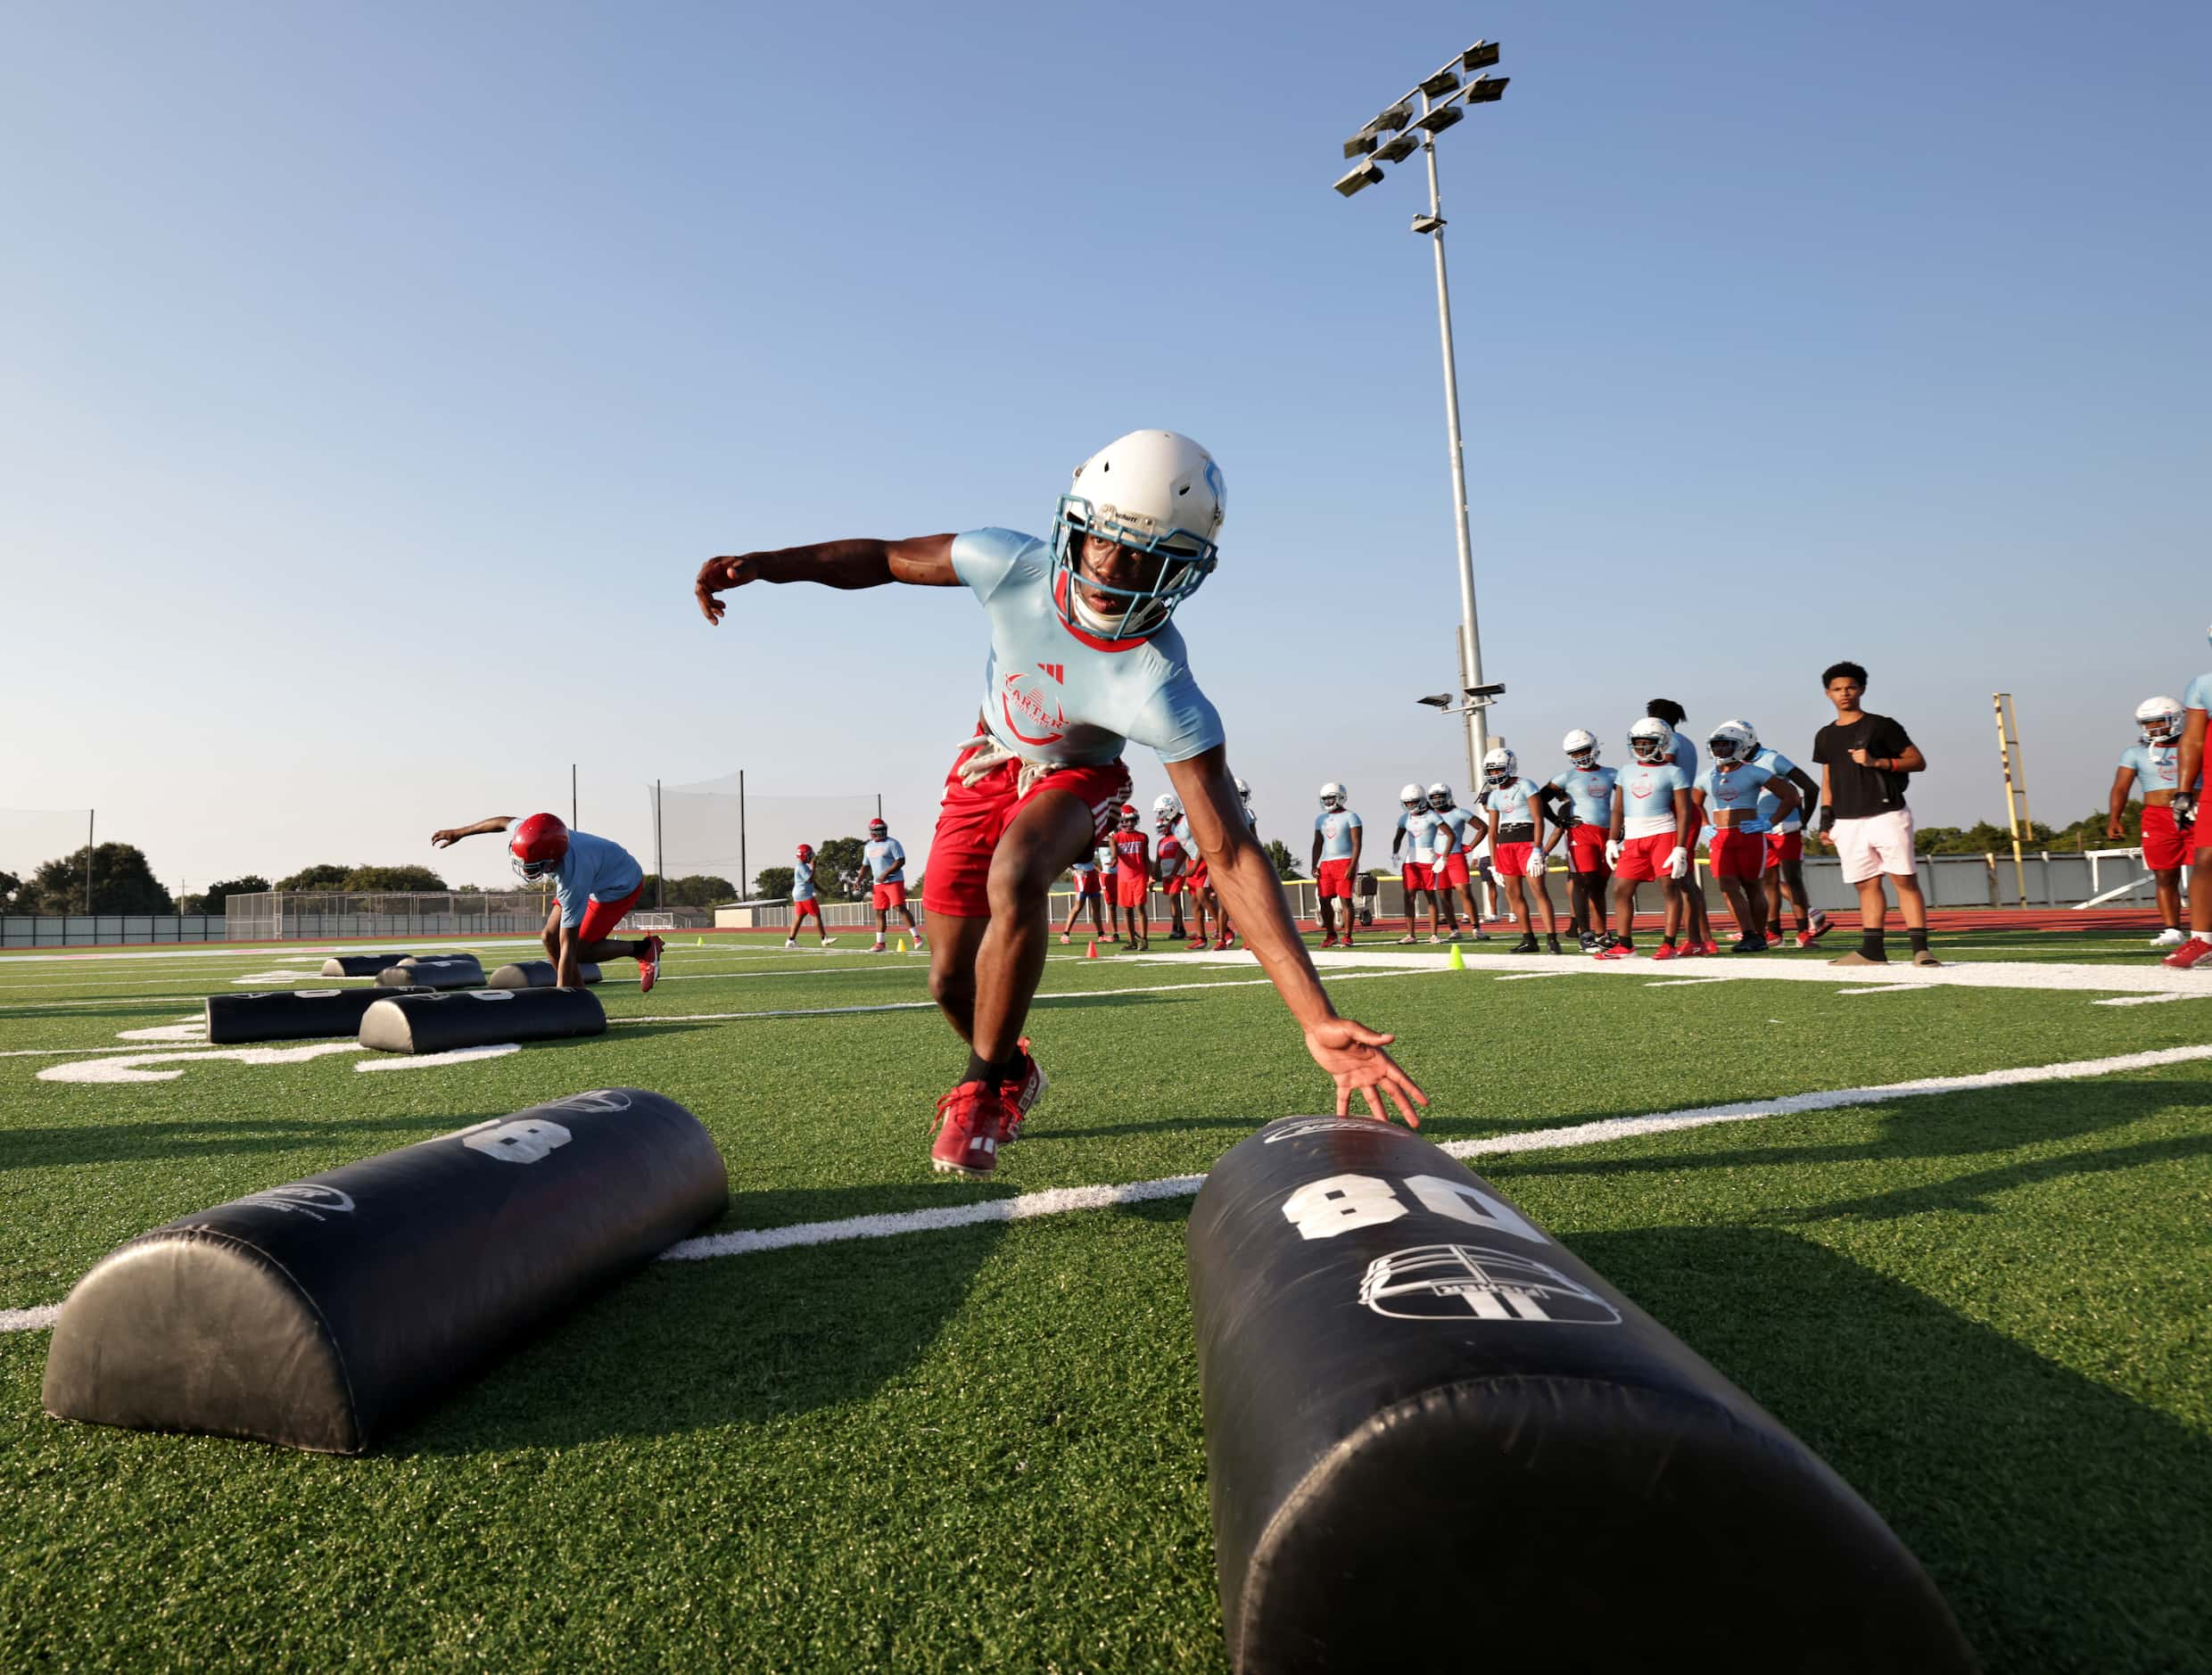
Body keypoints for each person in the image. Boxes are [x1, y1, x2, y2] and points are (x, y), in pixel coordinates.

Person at [692, 427, 1425, 1176]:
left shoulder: (1161, 686)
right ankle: (1011, 1071)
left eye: (1149, 555)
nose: (1116, 568)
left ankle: (978, 1094)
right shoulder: (1012, 564)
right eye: (1106, 541)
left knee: (1016, 874)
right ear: (1074, 526)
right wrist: (767, 567)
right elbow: (883, 558)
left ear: (1184, 569)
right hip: (984, 765)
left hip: (1080, 778)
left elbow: (1231, 852)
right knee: (948, 980)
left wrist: (1314, 1014)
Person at [428, 813, 664, 991]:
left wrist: (559, 995)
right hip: (599, 871)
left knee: (578, 950)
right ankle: (578, 995)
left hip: (618, 885)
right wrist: (460, 832)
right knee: (547, 938)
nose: (524, 867)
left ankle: (643, 949)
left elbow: (568, 946)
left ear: (552, 860)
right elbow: (502, 822)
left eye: (533, 864)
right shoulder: (534, 833)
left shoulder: (573, 874)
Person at [1810, 660, 1937, 968]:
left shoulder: (1882, 726)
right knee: (1866, 884)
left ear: (1862, 689)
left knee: (1904, 880)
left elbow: (1917, 761)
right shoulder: (1825, 736)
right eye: (1838, 689)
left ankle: (1921, 950)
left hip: (1887, 813)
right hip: (1848, 820)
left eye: (1851, 687)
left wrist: (1877, 762)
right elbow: (1828, 779)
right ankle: (1873, 951)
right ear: (1827, 693)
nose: (1845, 694)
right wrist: (1826, 820)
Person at [1693, 722, 1801, 951]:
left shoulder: (1753, 771)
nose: (1721, 750)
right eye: (1717, 745)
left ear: (1739, 747)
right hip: (1721, 837)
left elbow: (1791, 795)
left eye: (1726, 745)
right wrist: (1704, 824)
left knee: (1752, 885)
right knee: (1726, 885)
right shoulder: (1706, 776)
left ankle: (1759, 936)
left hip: (1748, 833)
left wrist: (1769, 822)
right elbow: (1694, 803)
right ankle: (1748, 933)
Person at [1594, 719, 1694, 961]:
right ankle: (1625, 945)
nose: (1641, 748)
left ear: (1662, 743)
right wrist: (1611, 840)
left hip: (1663, 833)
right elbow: (1617, 809)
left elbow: (1684, 811)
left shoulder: (1674, 772)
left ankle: (1669, 944)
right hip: (1634, 836)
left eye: (1647, 743)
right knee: (1621, 889)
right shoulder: (1625, 771)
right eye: (1638, 743)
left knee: (1669, 888)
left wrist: (1681, 846)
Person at [2114, 697, 2193, 948]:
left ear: (2177, 719)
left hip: (2196, 812)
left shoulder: (2195, 746)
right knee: (2164, 875)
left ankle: (2205, 928)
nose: (2153, 727)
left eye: (2159, 720)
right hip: (2157, 817)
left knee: (2207, 870)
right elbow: (2120, 788)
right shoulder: (2134, 753)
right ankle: (2172, 928)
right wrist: (2114, 818)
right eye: (2147, 723)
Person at [1743, 723, 1828, 948]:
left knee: (1792, 879)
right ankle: (1774, 933)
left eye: (1731, 743)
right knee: (1768, 882)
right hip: (1758, 829)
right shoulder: (1737, 764)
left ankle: (1803, 933)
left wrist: (1803, 821)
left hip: (1784, 827)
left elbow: (1810, 787)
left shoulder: (1772, 759)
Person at [1646, 699, 1715, 956]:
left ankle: (1696, 938)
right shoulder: (1687, 741)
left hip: (1674, 811)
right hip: (1685, 808)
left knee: (1678, 879)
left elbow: (1666, 770)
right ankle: (1703, 938)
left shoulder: (1669, 742)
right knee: (1685, 880)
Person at [1476, 752, 1561, 954]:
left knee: (1538, 890)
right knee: (1513, 894)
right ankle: (1528, 939)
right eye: (1491, 770)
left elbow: (1538, 819)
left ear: (1509, 766)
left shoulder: (1526, 785)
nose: (1494, 774)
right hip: (1505, 845)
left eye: (1498, 769)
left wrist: (1537, 848)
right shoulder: (1494, 795)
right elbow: (1492, 831)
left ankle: (1552, 939)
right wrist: (1494, 863)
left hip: (1526, 841)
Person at [1544, 729, 1617, 953]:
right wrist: (1559, 821)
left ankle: (1601, 933)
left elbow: (1627, 801)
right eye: (1575, 753)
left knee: (1599, 885)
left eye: (1583, 751)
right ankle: (1585, 934)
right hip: (1581, 832)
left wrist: (1622, 825)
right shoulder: (1566, 777)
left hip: (1605, 833)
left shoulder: (1613, 773)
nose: (1580, 756)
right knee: (1581, 881)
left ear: (1593, 747)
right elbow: (1539, 799)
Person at [1425, 782, 1491, 945]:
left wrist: (1470, 846)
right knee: (1443, 895)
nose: (1436, 800)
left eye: (1439, 796)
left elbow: (1483, 827)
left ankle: (1476, 928)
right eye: (1433, 797)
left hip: (1455, 857)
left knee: (1464, 891)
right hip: (1437, 859)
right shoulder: (1429, 815)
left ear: (1447, 796)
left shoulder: (1459, 813)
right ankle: (1454, 929)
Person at [1391, 783, 1451, 944]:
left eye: (1413, 802)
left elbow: (1450, 835)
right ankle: (1410, 934)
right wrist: (1395, 853)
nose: (1410, 806)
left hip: (1428, 860)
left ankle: (1433, 934)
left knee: (1430, 896)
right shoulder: (1405, 818)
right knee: (1409, 896)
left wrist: (1443, 857)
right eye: (1407, 803)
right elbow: (1398, 837)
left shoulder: (1432, 815)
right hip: (1411, 861)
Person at [1311, 781, 1365, 948]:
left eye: (1331, 798)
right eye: (1325, 799)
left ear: (1340, 798)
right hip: (1326, 863)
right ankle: (1330, 934)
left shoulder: (1351, 816)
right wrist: (1314, 864)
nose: (1328, 802)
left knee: (1345, 899)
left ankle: (1347, 936)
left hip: (1345, 860)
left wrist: (1352, 865)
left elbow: (1357, 843)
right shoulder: (1321, 819)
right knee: (1324, 899)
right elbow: (1318, 843)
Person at [863, 816, 924, 953]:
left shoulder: (892, 843)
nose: (881, 832)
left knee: (899, 907)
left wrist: (887, 873)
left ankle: (917, 937)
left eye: (883, 829)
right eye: (878, 830)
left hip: (894, 880)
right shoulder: (868, 847)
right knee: (879, 911)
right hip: (878, 884)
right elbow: (865, 865)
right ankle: (880, 943)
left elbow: (901, 860)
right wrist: (859, 880)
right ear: (872, 831)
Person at [1109, 803, 1152, 951]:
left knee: (1140, 907)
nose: (1130, 823)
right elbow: (1114, 853)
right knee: (1127, 910)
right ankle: (1132, 941)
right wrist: (1114, 860)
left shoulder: (1142, 837)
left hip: (1139, 876)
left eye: (1132, 820)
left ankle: (1144, 939)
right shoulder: (1115, 838)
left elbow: (1146, 859)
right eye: (1126, 820)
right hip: (1123, 879)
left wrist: (1151, 875)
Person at [1152, 796, 1192, 942]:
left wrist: (1183, 871)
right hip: (1166, 874)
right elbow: (1158, 860)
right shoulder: (1161, 841)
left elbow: (1185, 851)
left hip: (1178, 873)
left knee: (1174, 898)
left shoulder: (1177, 835)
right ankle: (1176, 926)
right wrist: (1154, 875)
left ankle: (1179, 927)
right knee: (1172, 901)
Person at [787, 842, 837, 949]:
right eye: (809, 855)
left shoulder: (802, 866)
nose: (811, 857)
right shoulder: (802, 867)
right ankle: (824, 939)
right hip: (805, 895)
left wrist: (821, 890)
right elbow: (809, 880)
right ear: (803, 855)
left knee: (799, 918)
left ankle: (790, 940)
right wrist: (814, 867)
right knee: (816, 915)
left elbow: (811, 880)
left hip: (798, 895)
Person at [1060, 853, 1106, 945]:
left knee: (1096, 906)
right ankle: (1065, 935)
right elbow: (1065, 857)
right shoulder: (1076, 842)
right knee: (1078, 907)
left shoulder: (1089, 841)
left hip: (1092, 873)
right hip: (1082, 875)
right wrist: (1074, 870)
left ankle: (1101, 935)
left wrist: (1096, 868)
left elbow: (1089, 859)